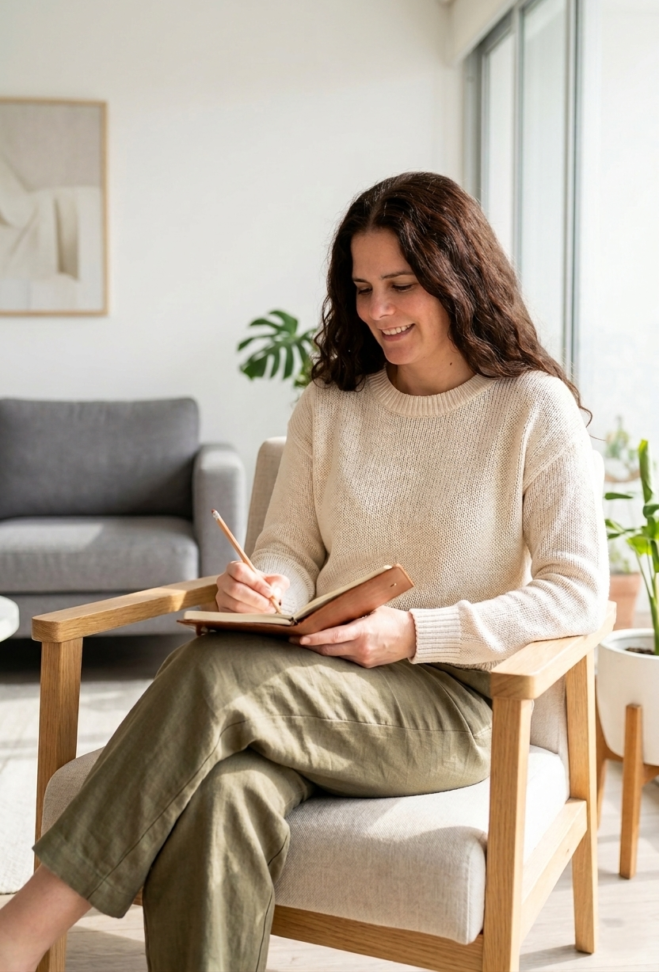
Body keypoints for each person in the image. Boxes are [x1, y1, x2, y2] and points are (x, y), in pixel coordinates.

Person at [0, 173, 608, 972]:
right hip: (315, 677)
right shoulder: (330, 406)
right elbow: (288, 547)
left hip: (459, 702)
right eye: (360, 289)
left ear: (460, 278)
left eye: (401, 286)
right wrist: (269, 587)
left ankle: (19, 932)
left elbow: (577, 590)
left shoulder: (531, 408)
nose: (377, 313)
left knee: (216, 674)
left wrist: (414, 632)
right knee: (222, 797)